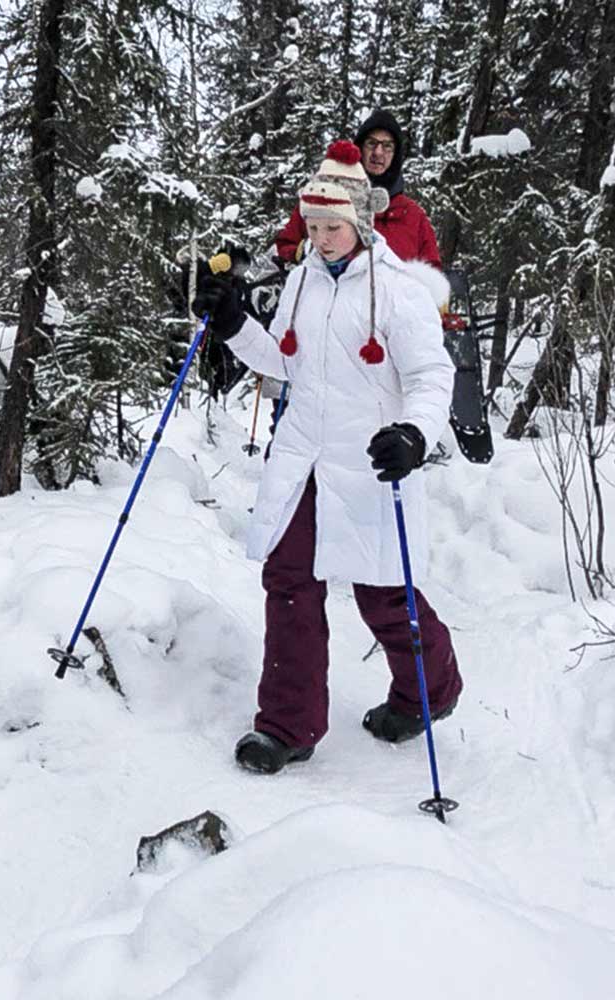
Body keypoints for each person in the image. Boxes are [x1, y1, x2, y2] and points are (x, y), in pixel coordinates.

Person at [191, 141, 464, 775]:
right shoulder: (302, 281)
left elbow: (430, 377)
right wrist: (233, 324)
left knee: (384, 598)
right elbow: (284, 363)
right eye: (311, 227)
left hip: (369, 462)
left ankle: (430, 690)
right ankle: (287, 725)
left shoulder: (400, 293)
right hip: (303, 460)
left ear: (362, 220)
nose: (321, 239)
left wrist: (416, 435)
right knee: (289, 583)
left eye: (332, 226)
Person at [273, 109, 441, 269]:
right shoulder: (327, 198)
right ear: (360, 147)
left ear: (396, 154)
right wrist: (306, 253)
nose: (378, 152)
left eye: (387, 146)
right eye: (371, 143)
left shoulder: (413, 216)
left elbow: (433, 277)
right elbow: (286, 244)